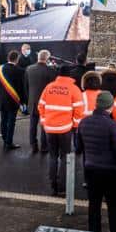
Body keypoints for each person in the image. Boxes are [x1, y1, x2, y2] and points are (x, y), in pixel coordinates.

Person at [75, 91, 116, 232]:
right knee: (114, 206)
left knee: (94, 204)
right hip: (111, 172)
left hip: (91, 170)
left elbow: (78, 148)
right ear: (110, 106)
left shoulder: (84, 122)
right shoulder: (112, 125)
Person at [38, 65, 86, 196]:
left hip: (49, 127)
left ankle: (53, 184)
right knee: (65, 157)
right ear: (69, 75)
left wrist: (44, 121)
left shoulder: (49, 87)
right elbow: (79, 110)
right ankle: (62, 187)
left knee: (53, 156)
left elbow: (41, 105)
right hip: (65, 129)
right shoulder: (74, 89)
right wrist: (75, 126)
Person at [25, 50, 56, 153]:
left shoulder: (29, 69)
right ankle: (44, 147)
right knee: (44, 126)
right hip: (46, 102)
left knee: (32, 125)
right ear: (47, 58)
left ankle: (33, 145)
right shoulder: (51, 71)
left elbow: (26, 86)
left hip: (32, 101)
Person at [0, 50, 25, 150]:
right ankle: (9, 142)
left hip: (1, 99)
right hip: (13, 99)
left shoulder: (0, 69)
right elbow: (21, 87)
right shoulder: (20, 71)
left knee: (3, 120)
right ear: (17, 59)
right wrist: (23, 100)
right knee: (11, 122)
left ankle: (5, 139)